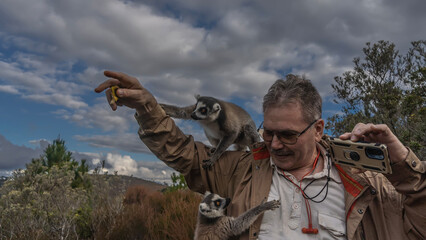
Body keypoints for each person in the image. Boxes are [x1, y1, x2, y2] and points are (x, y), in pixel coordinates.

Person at [95, 70, 425, 240]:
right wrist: (149, 108)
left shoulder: (366, 183)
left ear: (319, 129)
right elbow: (186, 154)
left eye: (288, 135)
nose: (275, 144)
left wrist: (406, 169)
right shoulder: (244, 169)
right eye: (268, 132)